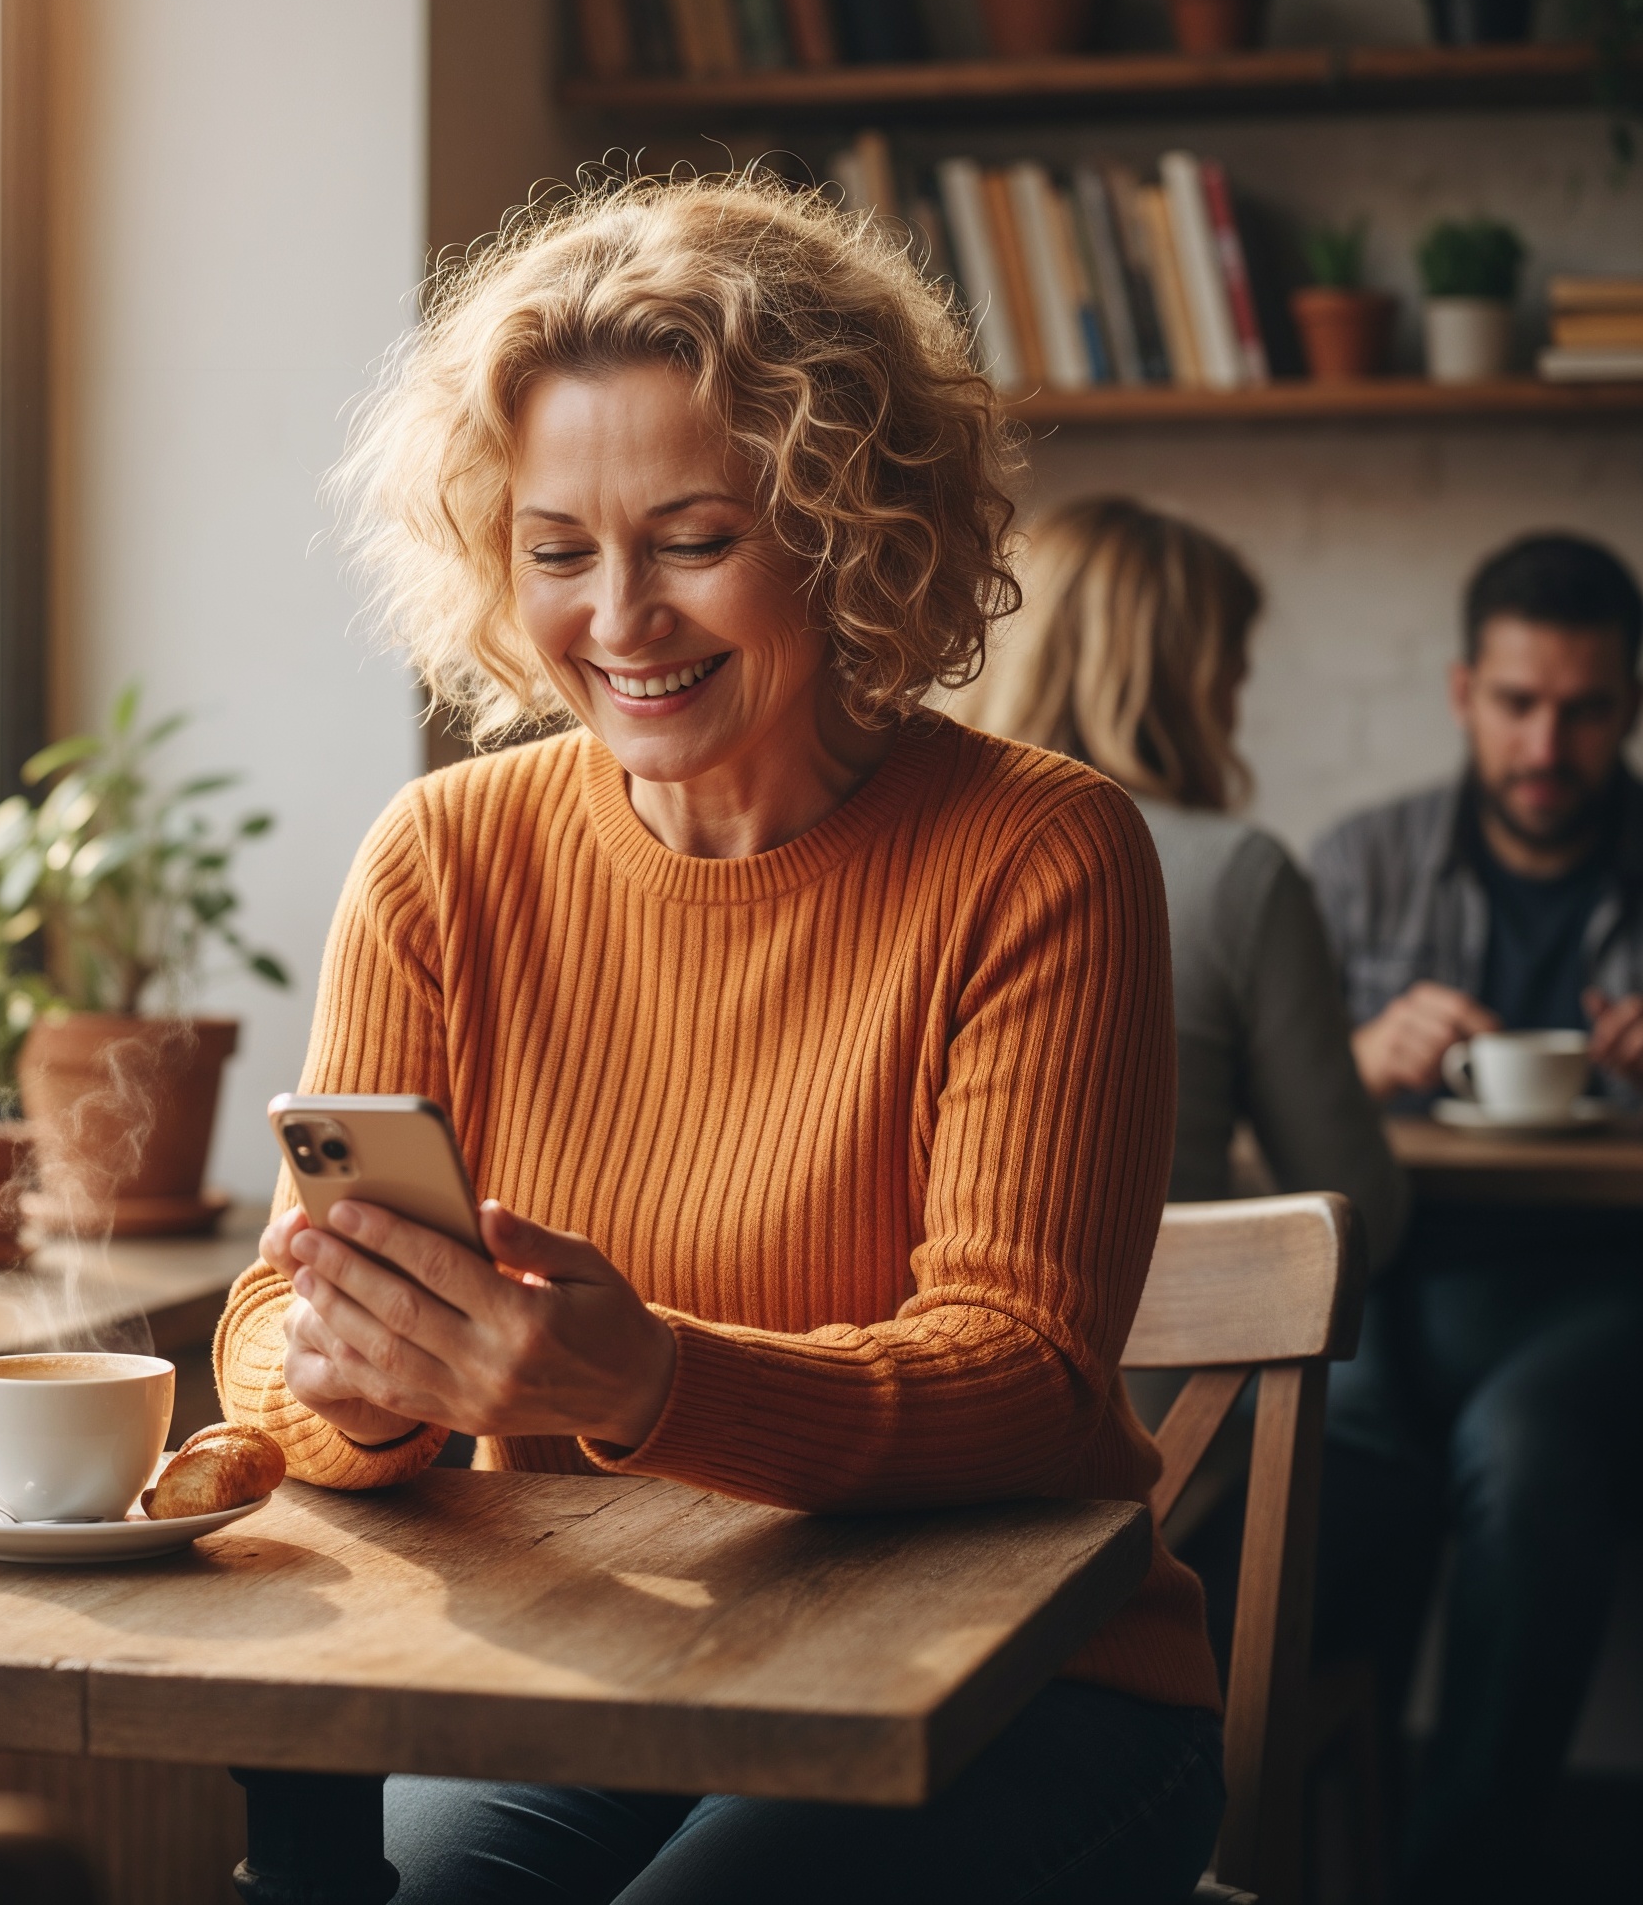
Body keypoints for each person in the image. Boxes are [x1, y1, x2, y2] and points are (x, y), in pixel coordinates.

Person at [211, 174, 1225, 1904]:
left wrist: (643, 1380)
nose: (618, 617)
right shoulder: (444, 858)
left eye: (692, 538)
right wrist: (351, 1386)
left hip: (1021, 1692)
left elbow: (1027, 1374)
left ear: (846, 525)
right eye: (556, 551)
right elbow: (265, 1314)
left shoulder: (1040, 851)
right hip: (602, 1680)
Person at [1310, 532, 1643, 1905]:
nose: (1546, 743)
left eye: (1583, 709)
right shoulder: (1359, 861)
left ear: (1630, 704)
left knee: (1529, 1455)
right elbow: (1270, 1125)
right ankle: (1339, 1837)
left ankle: (1463, 1872)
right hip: (1400, 1273)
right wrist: (1352, 1057)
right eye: (1517, 704)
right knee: (1345, 1454)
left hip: (1605, 1282)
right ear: (1462, 692)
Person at [958, 495, 1405, 1267]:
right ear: (1190, 685)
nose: (1235, 713)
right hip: (1168, 1383)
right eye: (1233, 678)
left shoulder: (905, 845)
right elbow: (1360, 1214)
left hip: (911, 1369)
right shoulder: (1238, 875)